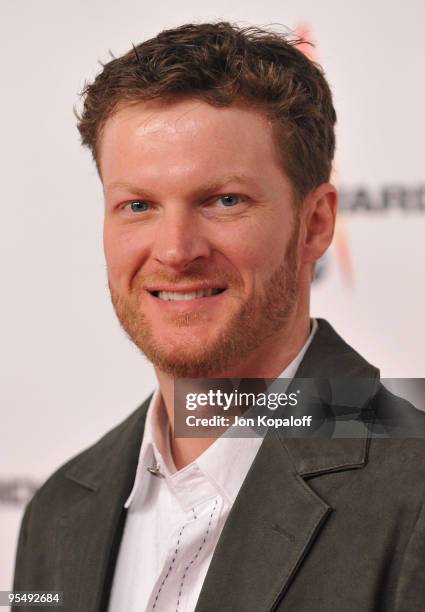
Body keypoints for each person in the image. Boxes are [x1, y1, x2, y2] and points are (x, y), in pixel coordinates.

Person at [13, 22, 425, 612]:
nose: (176, 250)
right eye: (138, 205)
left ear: (315, 224)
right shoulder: (57, 512)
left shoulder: (413, 490)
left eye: (224, 200)